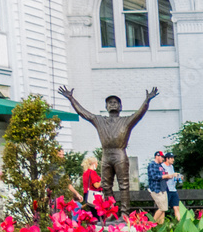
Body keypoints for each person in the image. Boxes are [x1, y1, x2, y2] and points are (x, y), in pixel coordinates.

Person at [57, 86, 158, 215]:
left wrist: (147, 101)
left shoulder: (126, 121)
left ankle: (125, 214)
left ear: (120, 107)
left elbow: (139, 113)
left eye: (115, 102)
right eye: (109, 103)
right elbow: (84, 113)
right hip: (106, 155)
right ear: (106, 107)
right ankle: (111, 213)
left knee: (124, 186)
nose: (112, 104)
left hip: (119, 154)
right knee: (106, 186)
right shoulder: (99, 120)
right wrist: (71, 99)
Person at [147, 150, 168, 223]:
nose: (163, 159)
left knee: (164, 209)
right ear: (157, 156)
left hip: (163, 189)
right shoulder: (152, 165)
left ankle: (160, 226)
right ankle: (151, 225)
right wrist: (164, 176)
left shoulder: (160, 166)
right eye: (162, 157)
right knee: (162, 208)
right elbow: (153, 176)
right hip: (156, 189)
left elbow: (164, 175)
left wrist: (170, 176)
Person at [162, 152, 182, 222]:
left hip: (173, 189)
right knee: (163, 208)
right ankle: (161, 223)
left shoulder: (171, 167)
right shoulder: (162, 166)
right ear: (167, 159)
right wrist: (173, 175)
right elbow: (163, 177)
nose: (173, 160)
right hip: (166, 189)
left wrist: (178, 178)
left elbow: (172, 176)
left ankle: (179, 223)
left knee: (176, 207)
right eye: (172, 158)